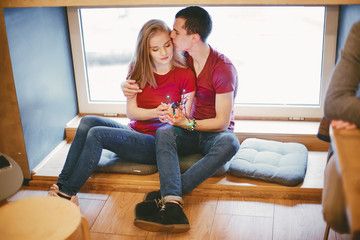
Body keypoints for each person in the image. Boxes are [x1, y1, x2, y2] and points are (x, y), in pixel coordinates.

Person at [48, 19, 196, 205]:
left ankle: (67, 194)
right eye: (155, 49)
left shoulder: (185, 74)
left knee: (97, 134)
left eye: (167, 45)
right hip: (134, 133)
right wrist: (154, 112)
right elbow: (132, 112)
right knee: (88, 121)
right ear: (146, 50)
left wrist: (173, 115)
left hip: (158, 143)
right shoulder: (137, 69)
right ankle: (61, 185)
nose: (164, 52)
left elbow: (187, 119)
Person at [124, 6, 240, 232]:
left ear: (194, 37)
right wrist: (124, 85)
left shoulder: (223, 69)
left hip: (214, 134)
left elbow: (222, 123)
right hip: (186, 130)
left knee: (231, 143)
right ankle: (173, 201)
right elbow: (145, 64)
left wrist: (187, 123)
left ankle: (167, 197)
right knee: (164, 132)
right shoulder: (181, 58)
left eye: (176, 32)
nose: (171, 35)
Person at [320, 20, 360, 234]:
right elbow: (335, 103)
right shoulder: (359, 32)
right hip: (353, 136)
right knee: (336, 211)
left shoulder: (221, 67)